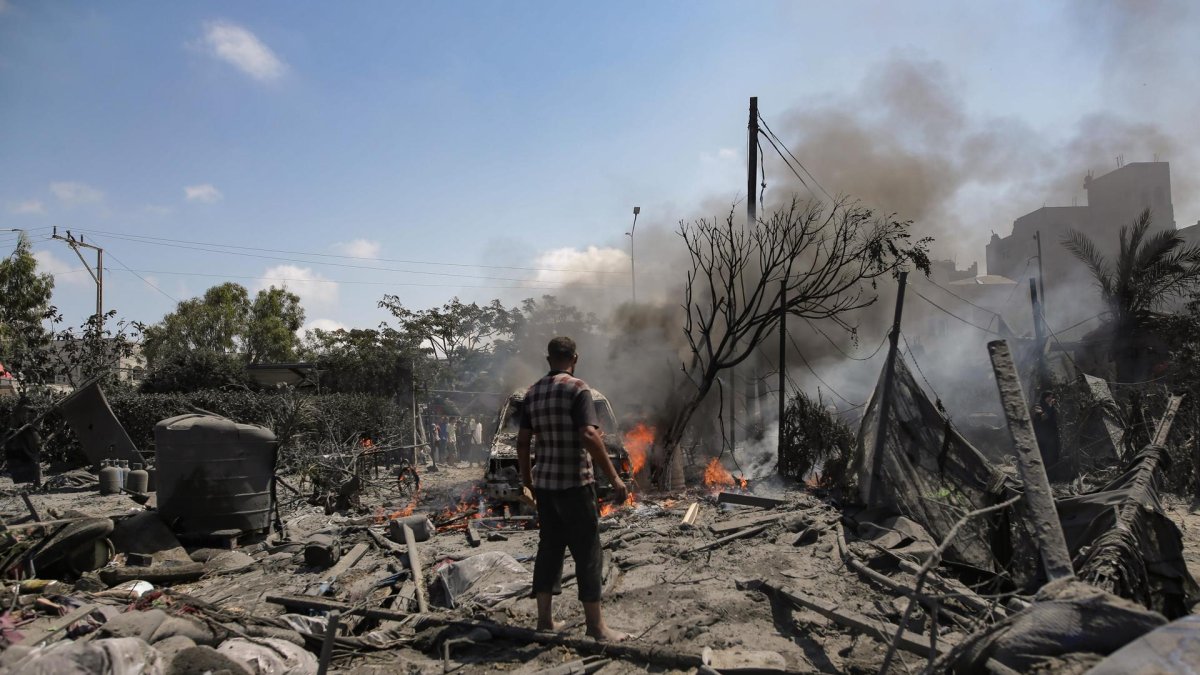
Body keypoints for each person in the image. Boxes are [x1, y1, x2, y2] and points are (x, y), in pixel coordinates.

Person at [517, 337, 628, 641]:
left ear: (548, 358)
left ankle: (544, 621)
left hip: (545, 487)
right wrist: (615, 478)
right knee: (588, 552)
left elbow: (523, 442)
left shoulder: (532, 392)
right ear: (575, 358)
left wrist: (528, 482)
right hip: (576, 484)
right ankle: (596, 627)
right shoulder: (579, 389)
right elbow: (589, 435)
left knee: (549, 549)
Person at [1031, 390, 1063, 480]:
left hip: (1052, 436)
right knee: (1044, 456)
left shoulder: (1052, 407)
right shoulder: (1038, 406)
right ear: (1044, 397)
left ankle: (1053, 477)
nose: (1051, 399)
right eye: (1049, 397)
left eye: (1052, 397)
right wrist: (1049, 407)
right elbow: (1042, 418)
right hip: (1042, 436)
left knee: (1053, 456)